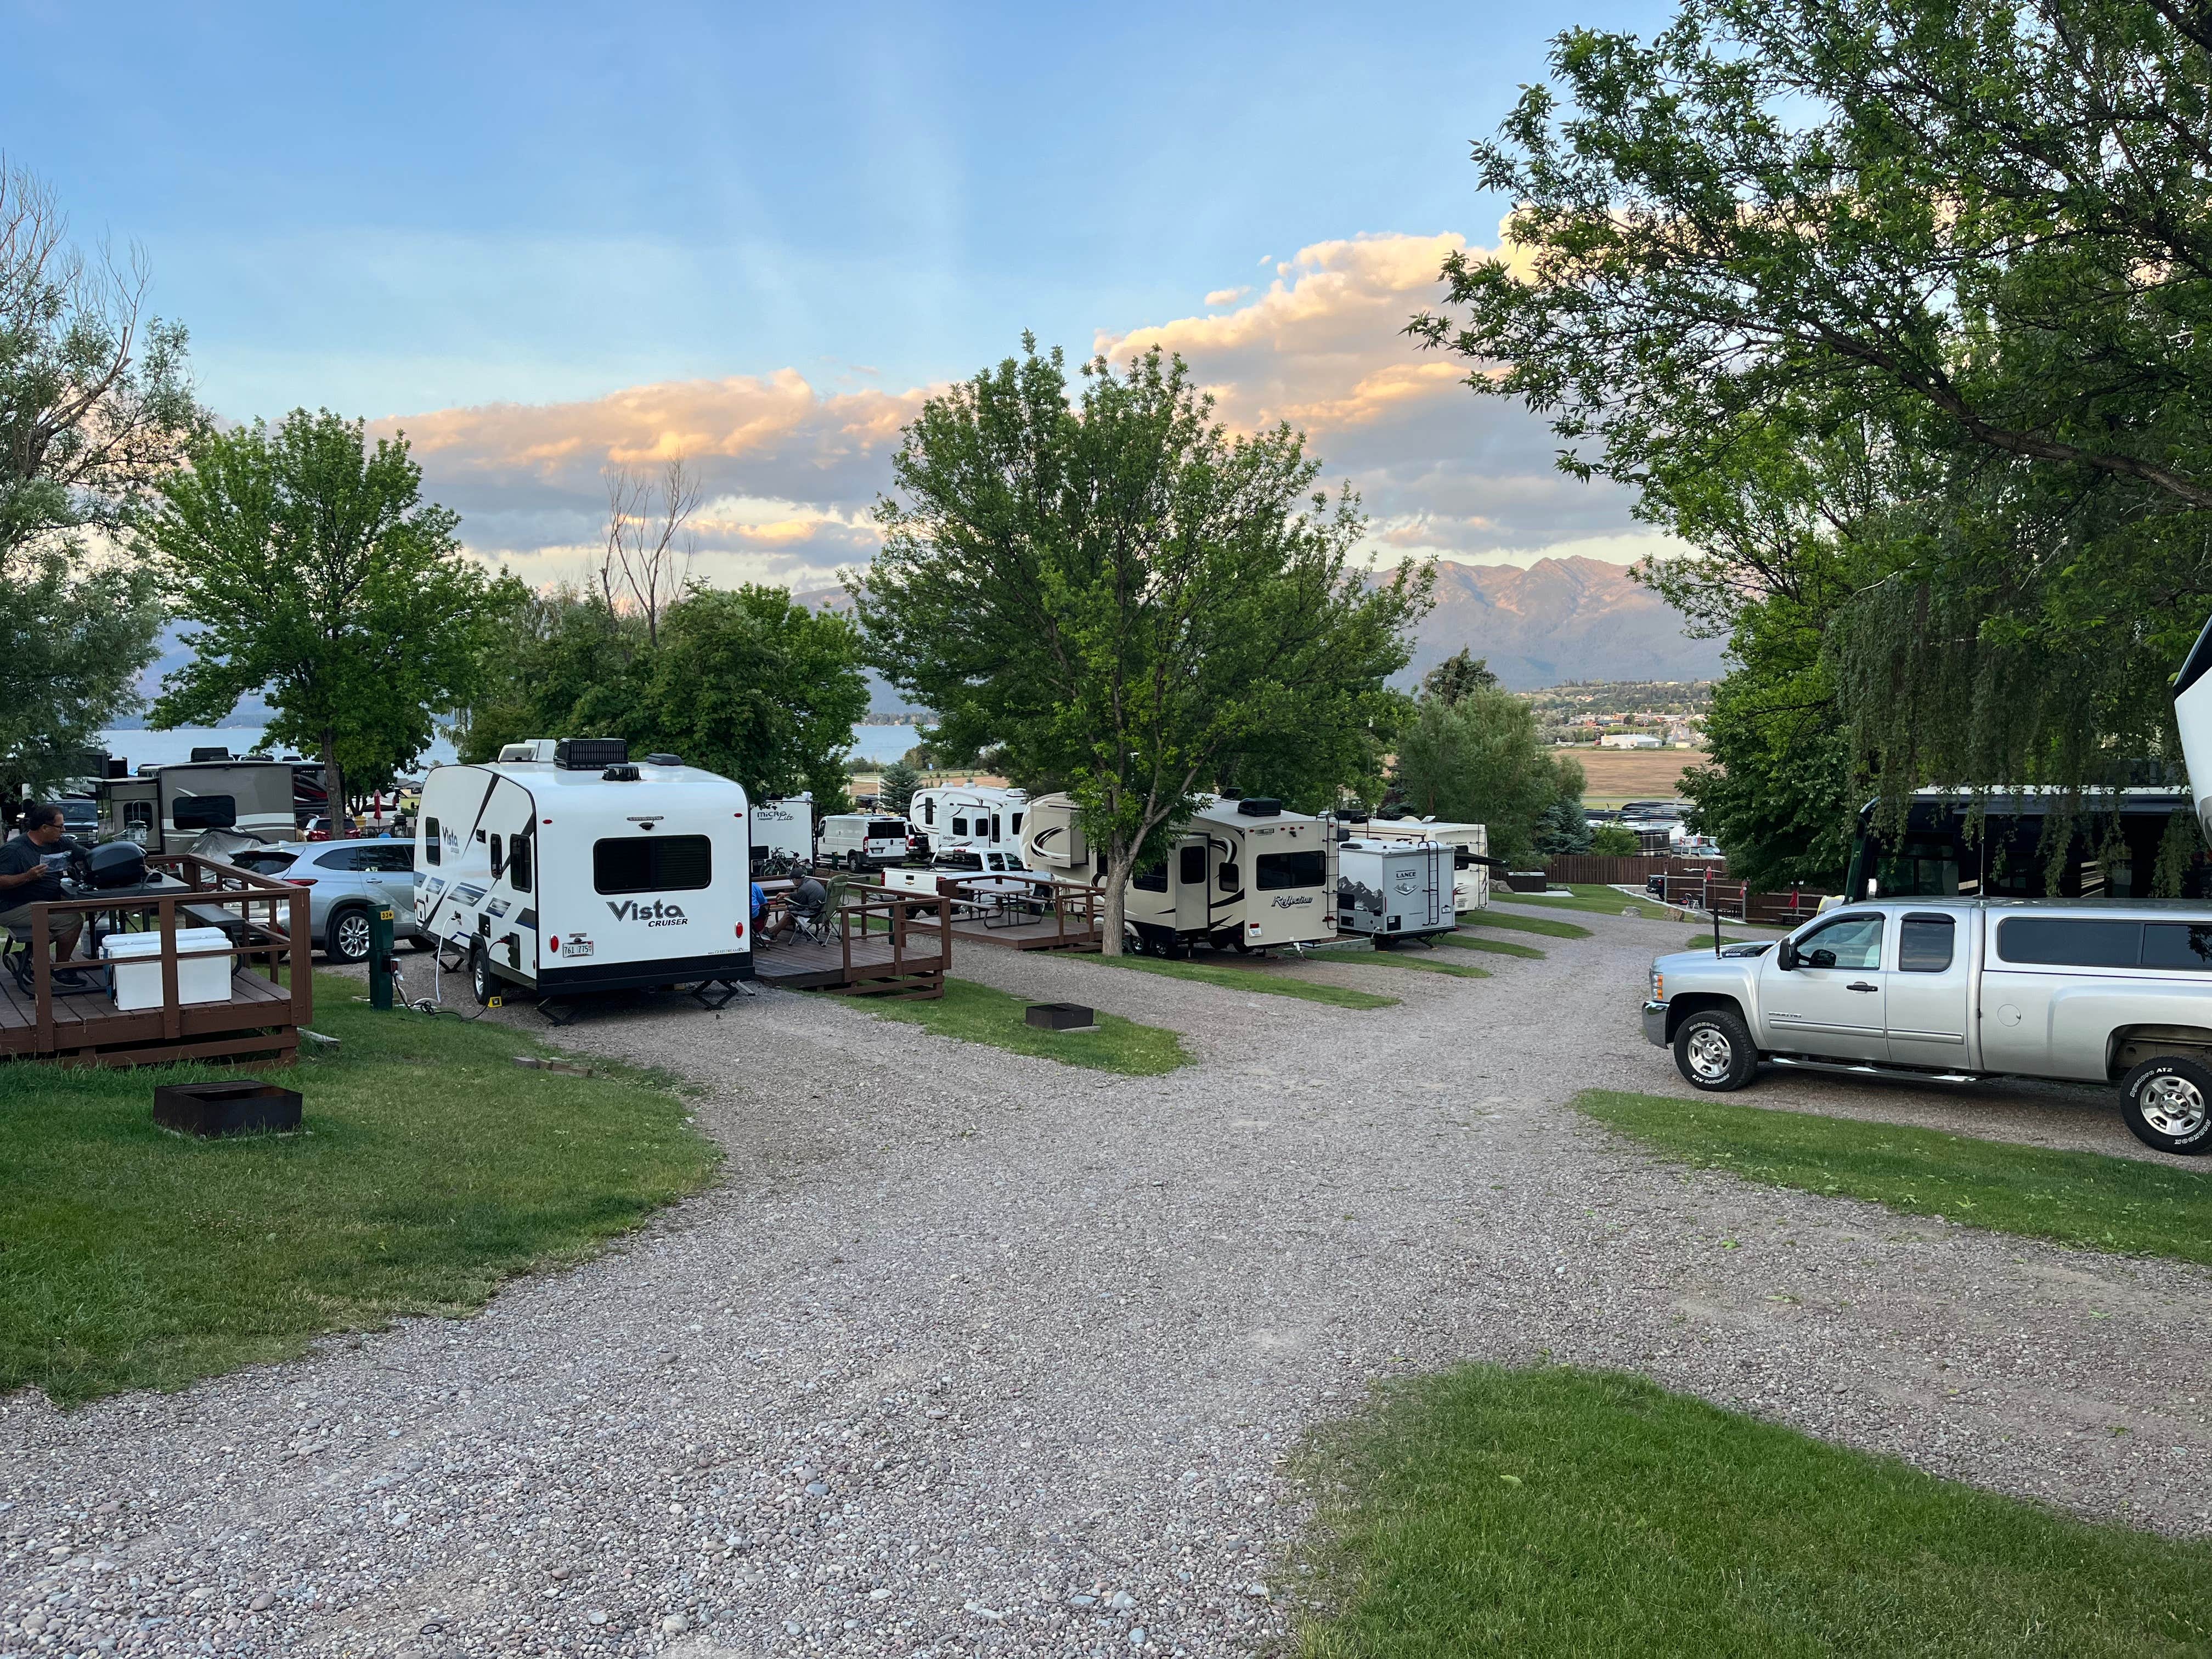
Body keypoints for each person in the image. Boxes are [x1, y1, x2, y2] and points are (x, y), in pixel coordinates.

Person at [0, 804, 84, 975]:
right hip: (12, 907)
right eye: (60, 827)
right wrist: (27, 876)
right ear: (45, 828)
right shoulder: (15, 850)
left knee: (62, 917)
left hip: (42, 902)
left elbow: (87, 855)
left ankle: (23, 958)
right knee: (71, 920)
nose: (64, 831)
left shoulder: (59, 843)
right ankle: (61, 970)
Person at [763, 873, 828, 944]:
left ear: (795, 880)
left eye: (792, 880)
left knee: (789, 913)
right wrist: (787, 894)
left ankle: (772, 933)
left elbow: (800, 907)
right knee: (789, 909)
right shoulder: (811, 882)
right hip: (821, 910)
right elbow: (800, 896)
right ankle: (775, 929)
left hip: (813, 912)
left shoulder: (803, 889)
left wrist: (790, 908)